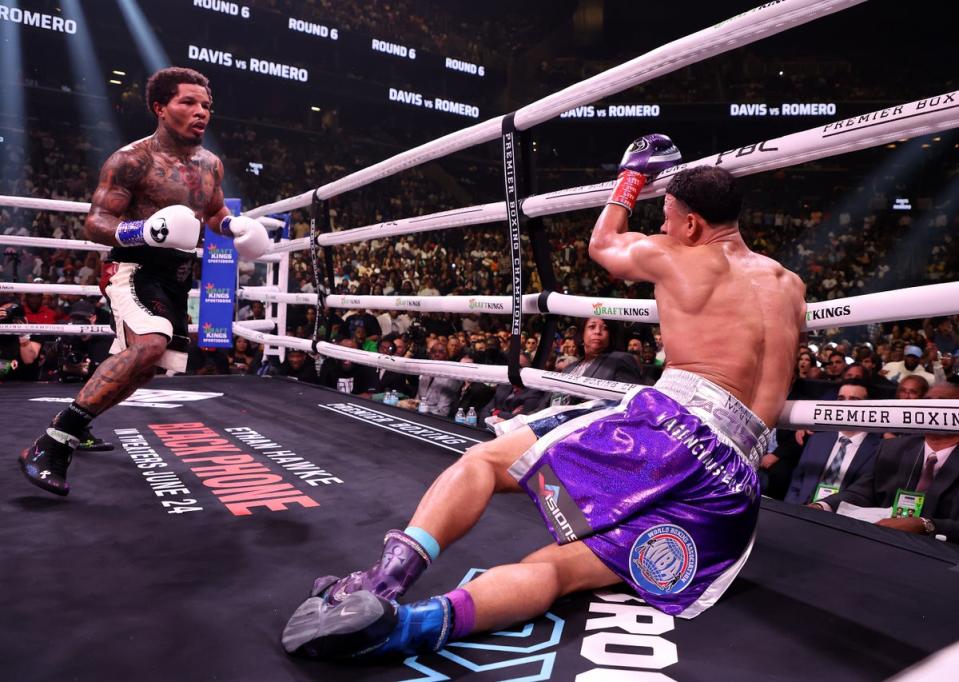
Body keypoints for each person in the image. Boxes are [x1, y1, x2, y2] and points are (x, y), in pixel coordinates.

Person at [281, 140, 806, 660]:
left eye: (668, 217)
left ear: (691, 224)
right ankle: (404, 630)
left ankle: (382, 582)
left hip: (673, 433)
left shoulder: (676, 254)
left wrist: (631, 179)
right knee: (556, 569)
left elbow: (603, 245)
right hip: (734, 484)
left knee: (484, 462)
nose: (663, 227)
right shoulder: (790, 286)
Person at [17, 66, 272, 496]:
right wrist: (141, 231)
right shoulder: (132, 160)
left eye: (206, 105)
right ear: (160, 107)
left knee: (145, 369)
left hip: (176, 276)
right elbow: (96, 223)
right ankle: (53, 442)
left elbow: (211, 214)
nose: (200, 112)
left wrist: (234, 229)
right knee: (150, 344)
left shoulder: (211, 164)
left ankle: (78, 427)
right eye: (188, 102)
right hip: (133, 268)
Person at [809, 382, 959, 542]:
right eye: (927, 401)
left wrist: (926, 525)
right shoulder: (893, 448)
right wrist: (823, 506)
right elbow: (862, 492)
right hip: (882, 542)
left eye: (942, 402)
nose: (932, 407)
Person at [784, 380, 882, 504]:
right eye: (841, 399)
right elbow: (797, 483)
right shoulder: (817, 440)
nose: (845, 405)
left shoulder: (879, 449)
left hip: (842, 518)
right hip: (801, 511)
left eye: (854, 400)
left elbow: (867, 496)